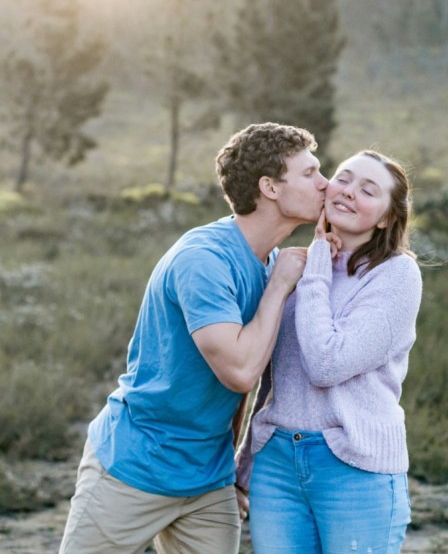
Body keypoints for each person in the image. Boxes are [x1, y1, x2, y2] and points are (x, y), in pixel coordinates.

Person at [59, 122, 329, 554]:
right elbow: (239, 371)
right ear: (270, 188)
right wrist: (279, 288)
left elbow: (253, 378)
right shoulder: (204, 260)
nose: (325, 184)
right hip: (134, 466)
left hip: (207, 481)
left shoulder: (269, 262)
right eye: (310, 172)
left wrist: (238, 472)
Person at [236, 150, 423, 553]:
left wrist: (317, 261)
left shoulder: (396, 276)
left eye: (368, 190)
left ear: (387, 217)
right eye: (344, 178)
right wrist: (245, 463)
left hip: (354, 466)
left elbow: (326, 363)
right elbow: (270, 378)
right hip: (277, 465)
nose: (349, 192)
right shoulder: (290, 266)